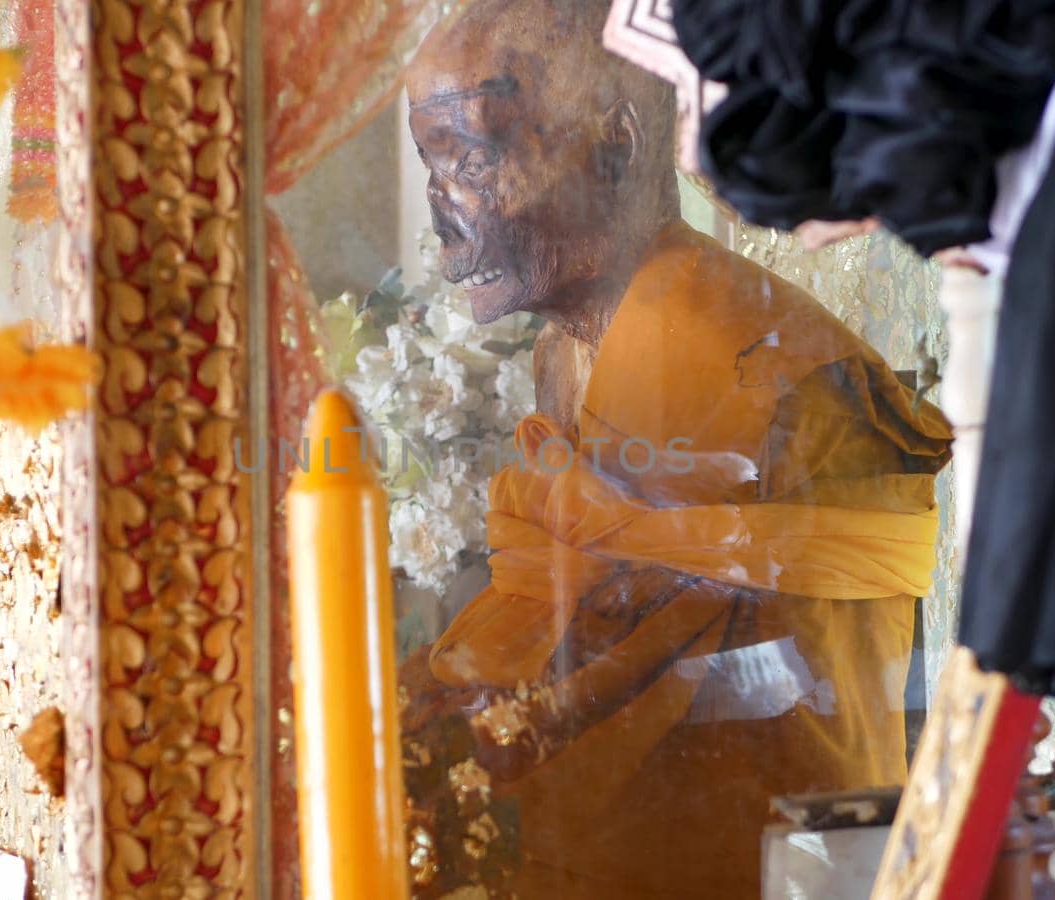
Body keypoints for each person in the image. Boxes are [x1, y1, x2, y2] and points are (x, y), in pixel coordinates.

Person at [398, 0, 953, 895]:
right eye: (432, 163)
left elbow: (817, 741)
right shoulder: (568, 350)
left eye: (474, 154)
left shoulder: (776, 382)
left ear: (615, 145)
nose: (445, 209)